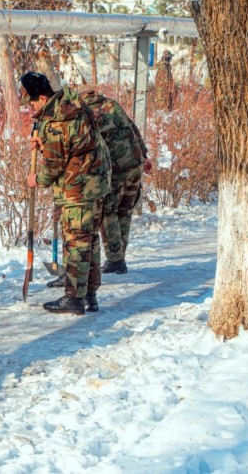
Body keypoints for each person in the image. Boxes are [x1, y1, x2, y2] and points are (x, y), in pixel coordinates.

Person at [21, 72, 111, 315]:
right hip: (95, 183)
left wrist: (36, 179)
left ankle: (73, 297)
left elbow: (53, 167)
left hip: (77, 188)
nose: (31, 107)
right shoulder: (74, 106)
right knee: (89, 240)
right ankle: (89, 293)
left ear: (41, 97)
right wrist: (44, 146)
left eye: (32, 102)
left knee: (76, 243)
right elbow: (74, 145)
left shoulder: (57, 122)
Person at [82, 89, 152, 275]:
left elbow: (88, 144)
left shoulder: (86, 114)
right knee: (125, 210)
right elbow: (132, 127)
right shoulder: (112, 104)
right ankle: (119, 256)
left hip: (117, 169)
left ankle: (116, 259)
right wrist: (144, 155)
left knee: (108, 211)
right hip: (135, 164)